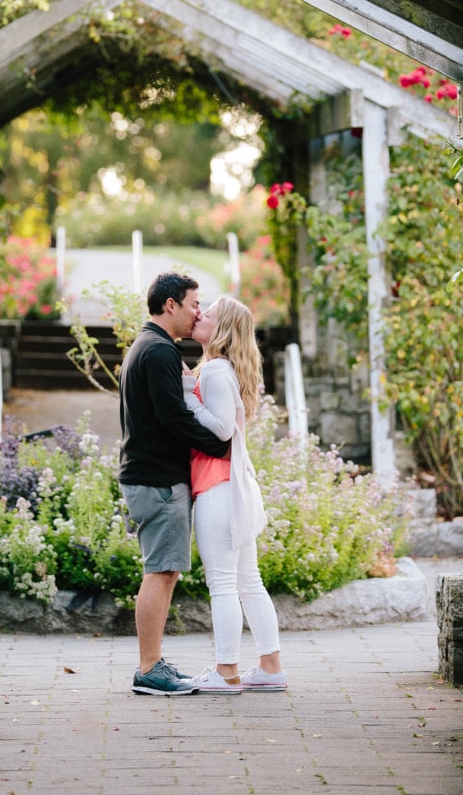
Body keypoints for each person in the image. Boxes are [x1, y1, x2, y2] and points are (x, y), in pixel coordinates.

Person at [119, 272, 231, 696]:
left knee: (163, 571)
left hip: (149, 476)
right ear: (171, 305)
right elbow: (174, 418)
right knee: (161, 571)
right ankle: (149, 669)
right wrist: (222, 448)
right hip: (159, 479)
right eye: (193, 304)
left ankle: (153, 664)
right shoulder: (161, 351)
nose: (197, 312)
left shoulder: (146, 346)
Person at [182, 295, 287, 694]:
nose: (199, 315)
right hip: (235, 487)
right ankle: (270, 666)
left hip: (218, 487)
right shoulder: (225, 370)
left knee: (223, 583)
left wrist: (189, 395)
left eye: (207, 314)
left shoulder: (213, 372)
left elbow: (221, 430)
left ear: (221, 328)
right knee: (248, 581)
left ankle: (226, 671)